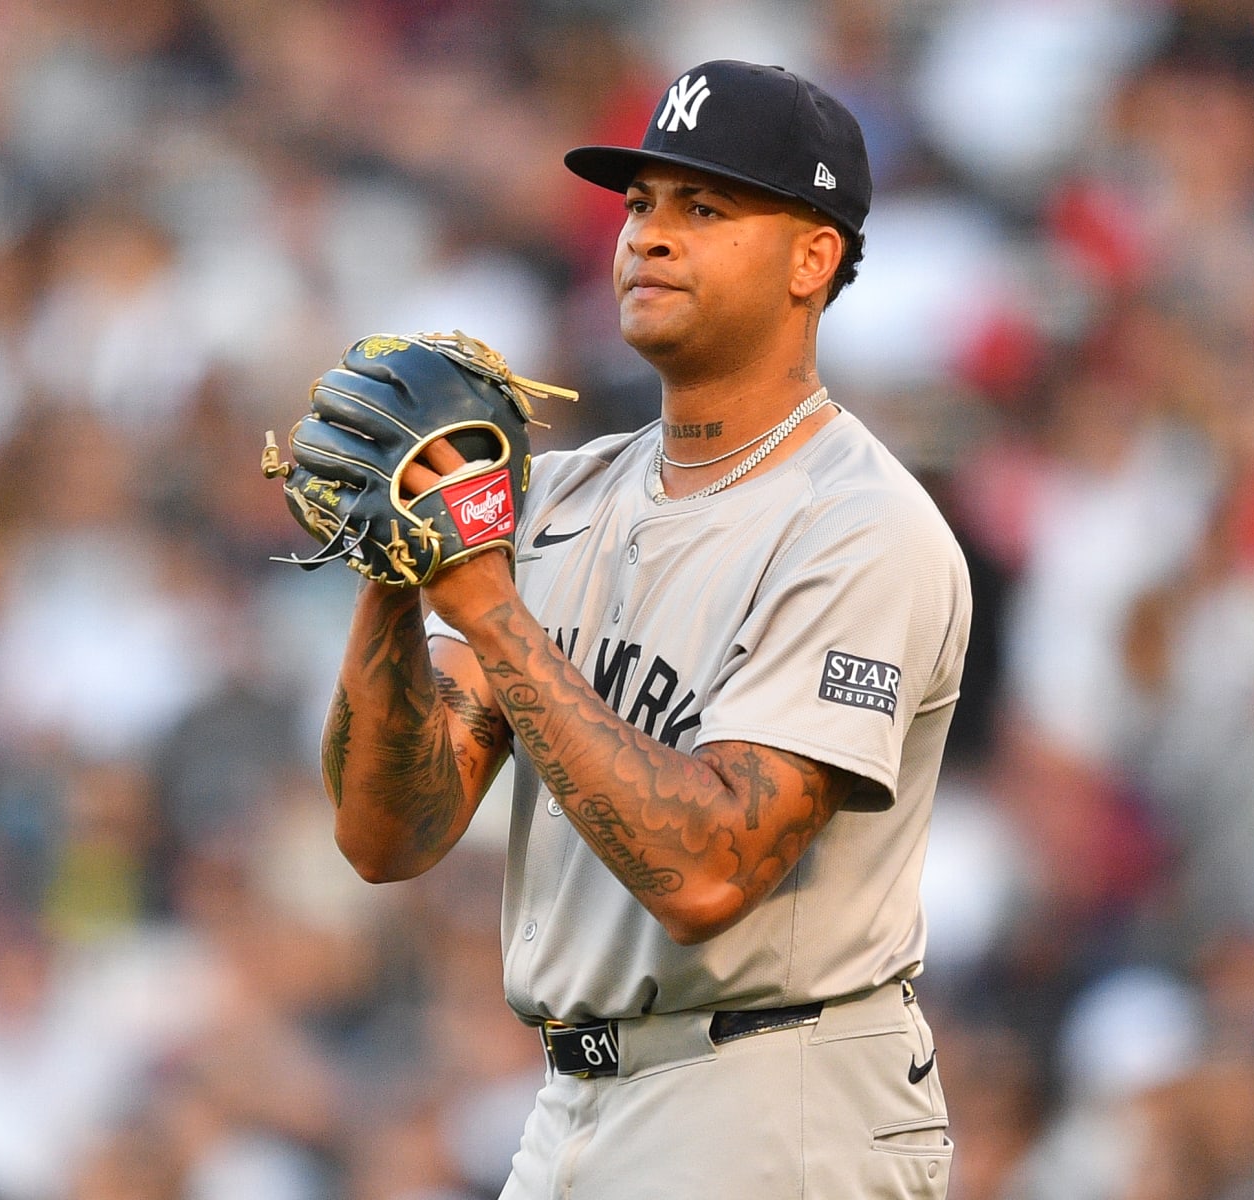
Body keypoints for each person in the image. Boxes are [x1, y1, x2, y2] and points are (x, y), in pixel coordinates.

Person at [320, 60, 970, 1197]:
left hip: (778, 1101)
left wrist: (483, 608)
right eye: (640, 206)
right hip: (573, 1102)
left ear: (815, 257)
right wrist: (393, 576)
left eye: (704, 208)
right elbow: (392, 834)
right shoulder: (562, 498)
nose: (650, 238)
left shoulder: (860, 527)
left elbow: (709, 874)